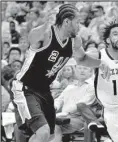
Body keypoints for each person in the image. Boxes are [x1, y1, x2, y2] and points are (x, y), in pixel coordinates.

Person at [11, 4, 110, 142]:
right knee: (43, 132)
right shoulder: (45, 34)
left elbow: (82, 59)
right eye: (77, 22)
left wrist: (101, 64)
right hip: (26, 88)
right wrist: (48, 20)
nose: (79, 26)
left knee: (50, 135)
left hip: (45, 91)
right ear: (67, 22)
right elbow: (31, 37)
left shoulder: (75, 41)